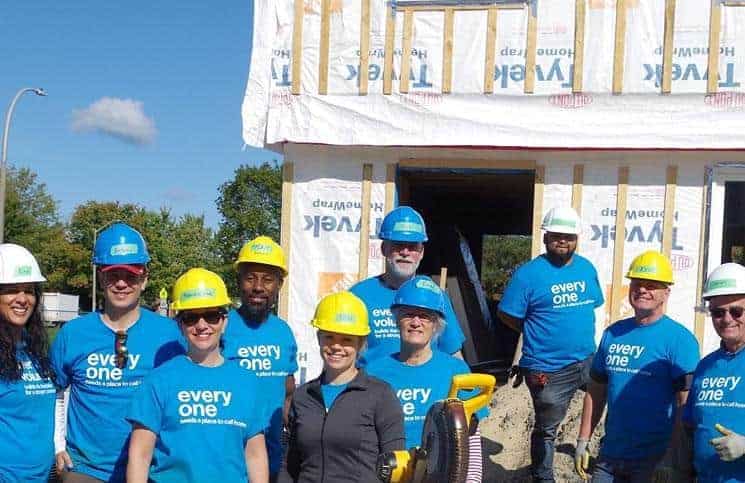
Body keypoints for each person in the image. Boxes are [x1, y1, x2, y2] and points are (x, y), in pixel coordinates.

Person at [51, 222, 183, 482]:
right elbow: (56, 391)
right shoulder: (73, 333)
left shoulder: (168, 334)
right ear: (101, 278)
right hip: (85, 468)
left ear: (144, 278)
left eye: (131, 275)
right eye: (113, 275)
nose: (122, 283)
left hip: (150, 467)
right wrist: (58, 445)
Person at [127, 268, 269, 483]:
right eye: (191, 318)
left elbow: (255, 455)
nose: (202, 325)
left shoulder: (247, 382)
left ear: (225, 320)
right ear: (180, 325)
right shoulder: (159, 380)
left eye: (211, 316)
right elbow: (140, 455)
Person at [498, 206, 604, 483]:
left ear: (576, 239)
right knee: (547, 429)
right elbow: (506, 313)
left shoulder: (586, 268)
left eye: (568, 236)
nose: (562, 241)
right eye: (556, 235)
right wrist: (533, 329)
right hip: (548, 367)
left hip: (587, 359)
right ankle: (543, 477)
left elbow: (593, 305)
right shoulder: (529, 274)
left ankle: (602, 461)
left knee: (609, 405)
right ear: (545, 237)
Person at [574, 250, 700, 482]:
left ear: (666, 293)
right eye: (637, 283)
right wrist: (583, 440)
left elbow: (686, 404)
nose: (642, 290)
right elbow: (596, 392)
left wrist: (673, 458)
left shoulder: (680, 340)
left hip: (653, 461)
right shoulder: (613, 334)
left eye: (651, 285)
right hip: (609, 457)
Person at [366, 275, 488, 481]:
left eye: (424, 316)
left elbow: (471, 440)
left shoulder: (456, 371)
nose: (416, 322)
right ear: (396, 319)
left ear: (436, 324)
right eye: (408, 314)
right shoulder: (373, 372)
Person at [278, 291, 404, 483]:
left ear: (360, 343)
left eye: (346, 339)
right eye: (329, 337)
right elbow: (291, 465)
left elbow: (397, 468)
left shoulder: (380, 395)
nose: (336, 346)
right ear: (319, 338)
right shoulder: (303, 396)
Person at [222, 236, 298, 481]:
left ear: (280, 284)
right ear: (239, 280)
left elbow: (287, 393)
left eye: (267, 279)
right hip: (228, 464)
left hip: (272, 462)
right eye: (250, 277)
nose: (258, 287)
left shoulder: (283, 332)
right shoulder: (221, 328)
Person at [350, 206, 465, 363]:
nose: (405, 252)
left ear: (422, 252)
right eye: (398, 245)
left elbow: (454, 356)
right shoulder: (358, 296)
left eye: (412, 247)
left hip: (425, 385)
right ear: (384, 249)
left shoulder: (436, 296)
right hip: (371, 385)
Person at [678, 262, 745, 482]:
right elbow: (690, 427)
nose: (727, 319)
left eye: (737, 311)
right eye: (718, 312)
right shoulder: (705, 366)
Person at [0, 244, 56, 482]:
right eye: (12, 290)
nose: (22, 299)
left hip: (43, 476)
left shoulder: (33, 348)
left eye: (29, 291)